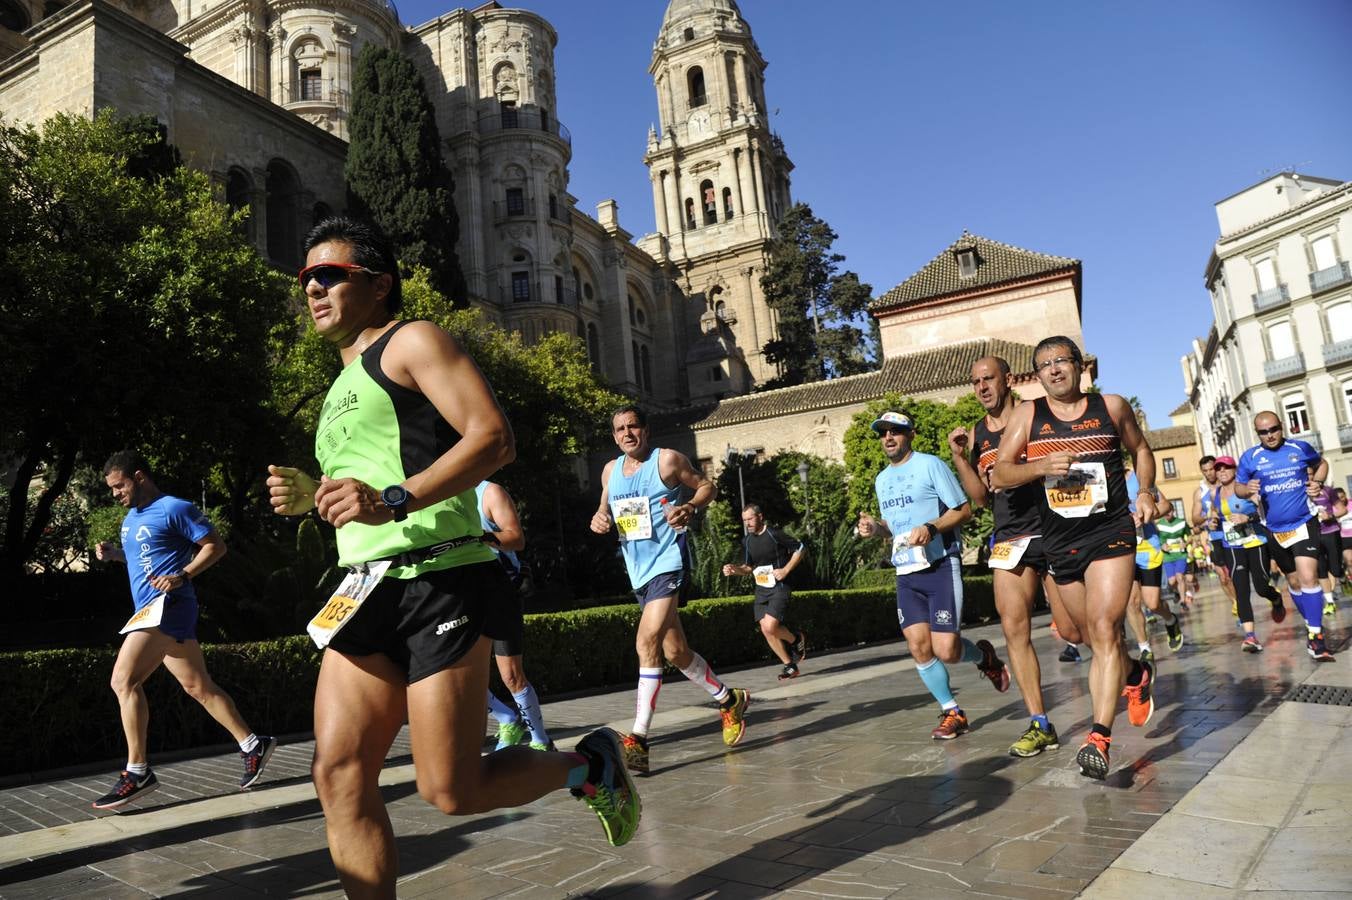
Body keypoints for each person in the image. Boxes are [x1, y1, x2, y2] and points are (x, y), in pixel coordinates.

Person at [267, 217, 638, 896]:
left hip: (441, 579)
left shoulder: (412, 342)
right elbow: (368, 490)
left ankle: (588, 767)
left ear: (379, 285)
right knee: (338, 774)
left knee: (450, 790)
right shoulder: (336, 390)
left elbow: (493, 439)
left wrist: (391, 498)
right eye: (306, 278)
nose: (313, 287)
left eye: (331, 275)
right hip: (364, 589)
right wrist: (314, 497)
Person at [991, 336, 1158, 781]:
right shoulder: (1029, 414)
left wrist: (1144, 491)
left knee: (1106, 629)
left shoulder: (1112, 406)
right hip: (1059, 540)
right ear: (1036, 375)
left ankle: (1098, 737)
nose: (1054, 370)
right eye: (1043, 365)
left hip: (1110, 531)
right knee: (1082, 635)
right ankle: (1137, 674)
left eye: (1061, 360)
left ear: (1080, 365)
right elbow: (1000, 473)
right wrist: (1039, 467)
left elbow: (1141, 449)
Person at [92, 450, 275, 811]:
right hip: (149, 611)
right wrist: (115, 554)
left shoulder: (175, 508)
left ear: (139, 476)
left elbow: (215, 546)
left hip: (167, 608)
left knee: (123, 681)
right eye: (112, 488)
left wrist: (184, 575)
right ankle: (253, 743)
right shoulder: (130, 519)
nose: (115, 494)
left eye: (119, 485)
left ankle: (138, 771)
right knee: (199, 687)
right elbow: (145, 555)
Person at [590, 404, 749, 776]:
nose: (627, 433)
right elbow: (605, 509)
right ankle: (730, 699)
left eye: (633, 426)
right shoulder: (610, 471)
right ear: (614, 436)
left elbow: (708, 485)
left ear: (646, 430)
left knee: (646, 641)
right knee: (675, 651)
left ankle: (639, 740)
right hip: (639, 573)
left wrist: (691, 506)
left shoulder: (667, 461)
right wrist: (600, 518)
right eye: (619, 429)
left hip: (668, 564)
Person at [858, 410, 1009, 742]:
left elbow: (964, 509)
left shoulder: (930, 464)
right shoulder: (882, 479)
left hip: (941, 566)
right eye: (882, 432)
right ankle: (952, 710)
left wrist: (931, 528)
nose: (888, 437)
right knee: (918, 646)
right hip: (906, 573)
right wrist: (874, 529)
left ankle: (984, 657)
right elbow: (892, 529)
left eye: (895, 431)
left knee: (947, 650)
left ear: (910, 433)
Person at [948, 355, 1067, 758]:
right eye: (975, 381)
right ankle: (1040, 723)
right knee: (1014, 630)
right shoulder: (978, 434)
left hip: (1053, 529)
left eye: (988, 379)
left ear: (1008, 380)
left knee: (1074, 631)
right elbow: (980, 499)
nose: (981, 387)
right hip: (1010, 537)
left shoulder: (1036, 417)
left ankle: (1133, 671)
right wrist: (961, 459)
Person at [1234, 411, 1334, 661]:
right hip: (1274, 528)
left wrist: (1318, 482)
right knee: (1295, 583)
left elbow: (1321, 463)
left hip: (1304, 522)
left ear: (1282, 427)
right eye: (1263, 432)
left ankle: (1316, 635)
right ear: (1257, 434)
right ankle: (1311, 624)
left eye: (1274, 429)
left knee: (1309, 576)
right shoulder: (1251, 457)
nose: (1270, 435)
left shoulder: (1299, 448)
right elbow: (1238, 487)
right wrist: (1247, 490)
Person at [476, 481, 554, 752]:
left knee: (511, 675)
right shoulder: (439, 495)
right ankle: (506, 717)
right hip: (462, 596)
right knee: (462, 675)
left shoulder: (489, 492)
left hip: (501, 593)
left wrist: (478, 536)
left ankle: (540, 741)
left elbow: (516, 539)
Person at [1206, 456, 1285, 651]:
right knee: (1241, 590)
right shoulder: (1215, 493)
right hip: (1232, 544)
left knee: (1260, 586)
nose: (1222, 471)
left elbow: (1261, 513)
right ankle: (1250, 636)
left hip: (1255, 541)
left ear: (1235, 469)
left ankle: (1275, 597)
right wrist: (1213, 522)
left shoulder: (1246, 488)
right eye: (1219, 468)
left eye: (1226, 467)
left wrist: (1246, 518)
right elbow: (1216, 514)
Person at [721, 503, 808, 680]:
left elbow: (800, 548)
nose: (748, 523)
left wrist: (785, 570)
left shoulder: (774, 534)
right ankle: (789, 664)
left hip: (779, 587)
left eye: (750, 519)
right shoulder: (747, 541)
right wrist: (734, 569)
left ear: (760, 516)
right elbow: (748, 567)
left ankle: (795, 640)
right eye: (744, 520)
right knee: (766, 630)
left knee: (770, 626)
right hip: (761, 588)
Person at [1124, 470, 1184, 663]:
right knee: (1132, 603)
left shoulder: (1137, 478)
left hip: (1148, 548)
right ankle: (1144, 648)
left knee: (1152, 604)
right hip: (1123, 551)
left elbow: (1166, 505)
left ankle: (1170, 620)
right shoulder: (1100, 481)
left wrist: (1144, 516)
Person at [1190, 456, 1238, 611]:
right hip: (1216, 536)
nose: (1209, 473)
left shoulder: (1230, 484)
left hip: (1236, 532)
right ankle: (1236, 605)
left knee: (1238, 573)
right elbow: (1195, 518)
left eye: (1211, 469)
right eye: (1205, 471)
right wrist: (1208, 518)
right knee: (1224, 577)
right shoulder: (1200, 492)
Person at [1311, 482, 1343, 618]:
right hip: (1314, 535)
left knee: (1334, 569)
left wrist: (1329, 516)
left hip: (1331, 531)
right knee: (1321, 569)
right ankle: (1329, 600)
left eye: (1312, 474)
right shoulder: (1301, 492)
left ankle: (1330, 592)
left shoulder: (1328, 491)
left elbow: (1342, 510)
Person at [1156, 501, 1191, 606]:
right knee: (1171, 581)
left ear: (1173, 511)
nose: (1167, 513)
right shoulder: (1159, 525)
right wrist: (1162, 546)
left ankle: (1183, 600)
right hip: (1168, 556)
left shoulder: (1182, 522)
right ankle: (1177, 592)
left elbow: (1190, 536)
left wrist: (1185, 543)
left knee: (1180, 576)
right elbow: (1157, 540)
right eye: (1165, 512)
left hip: (1180, 554)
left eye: (1169, 511)